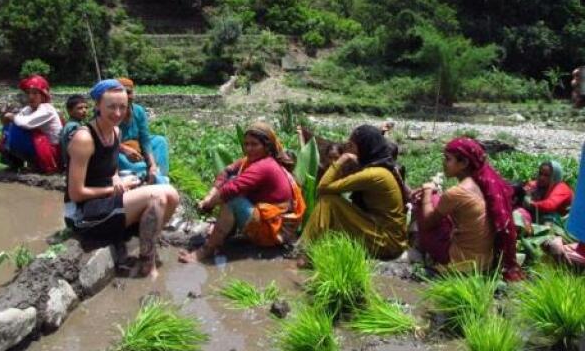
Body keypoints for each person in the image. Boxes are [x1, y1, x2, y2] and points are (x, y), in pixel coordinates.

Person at [64, 79, 180, 278]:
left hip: (106, 201)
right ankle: (147, 263)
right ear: (97, 105)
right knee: (157, 197)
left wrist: (116, 177)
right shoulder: (84, 138)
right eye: (111, 107)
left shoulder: (115, 131)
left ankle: (144, 248)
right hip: (83, 214)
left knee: (171, 195)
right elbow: (76, 193)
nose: (118, 113)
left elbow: (111, 166)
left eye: (122, 107)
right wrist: (116, 188)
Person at [178, 122, 306, 263]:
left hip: (275, 231)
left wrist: (208, 204)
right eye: (246, 144)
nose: (249, 149)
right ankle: (224, 235)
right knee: (233, 178)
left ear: (267, 146)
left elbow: (229, 190)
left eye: (254, 144)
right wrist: (209, 196)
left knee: (233, 199)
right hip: (270, 219)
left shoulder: (264, 166)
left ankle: (206, 251)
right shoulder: (254, 161)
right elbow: (227, 172)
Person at [415, 138, 523, 280]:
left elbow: (426, 223)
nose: (443, 164)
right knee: (436, 202)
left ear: (464, 163)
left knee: (423, 203)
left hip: (462, 263)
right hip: (484, 261)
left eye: (448, 159)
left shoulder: (457, 192)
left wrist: (427, 190)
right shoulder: (484, 184)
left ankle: (422, 249)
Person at [301, 125, 408, 259]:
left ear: (364, 147)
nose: (348, 150)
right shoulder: (379, 168)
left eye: (351, 146)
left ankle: (305, 254)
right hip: (384, 235)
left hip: (387, 242)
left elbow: (323, 187)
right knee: (333, 201)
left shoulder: (374, 174)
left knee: (329, 202)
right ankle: (312, 250)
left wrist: (343, 158)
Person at [0, 75, 63, 174]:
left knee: (16, 127)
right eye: (28, 93)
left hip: (53, 154)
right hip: (42, 149)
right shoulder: (29, 109)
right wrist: (6, 118)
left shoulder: (47, 109)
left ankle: (39, 166)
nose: (30, 97)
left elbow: (25, 123)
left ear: (43, 95)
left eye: (35, 93)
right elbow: (14, 119)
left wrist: (12, 117)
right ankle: (15, 164)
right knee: (7, 129)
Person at [117, 78, 169, 184]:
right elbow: (104, 140)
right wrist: (124, 149)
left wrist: (152, 164)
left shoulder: (138, 111)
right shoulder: (112, 111)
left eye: (129, 92)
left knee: (160, 141)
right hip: (118, 149)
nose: (126, 96)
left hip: (138, 146)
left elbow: (145, 139)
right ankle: (143, 172)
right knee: (117, 157)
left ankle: (156, 172)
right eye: (122, 92)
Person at [543, 142, 585, 267]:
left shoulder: (561, 188)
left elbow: (549, 205)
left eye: (546, 175)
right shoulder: (537, 187)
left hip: (558, 222)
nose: (542, 178)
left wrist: (533, 203)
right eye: (541, 174)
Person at [60, 94, 89, 167]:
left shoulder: (72, 124)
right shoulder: (74, 126)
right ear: (69, 111)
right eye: (80, 108)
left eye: (86, 107)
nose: (84, 110)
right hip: (74, 163)